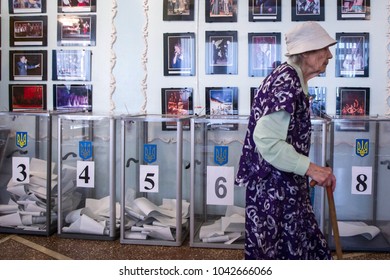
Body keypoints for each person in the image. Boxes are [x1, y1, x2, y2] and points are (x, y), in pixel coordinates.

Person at [235, 21, 337, 260]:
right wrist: (312, 170)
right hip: (275, 192)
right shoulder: (287, 81)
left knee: (302, 247)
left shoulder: (287, 77)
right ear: (305, 52)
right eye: (324, 49)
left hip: (281, 186)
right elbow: (267, 139)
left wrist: (311, 171)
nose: (329, 55)